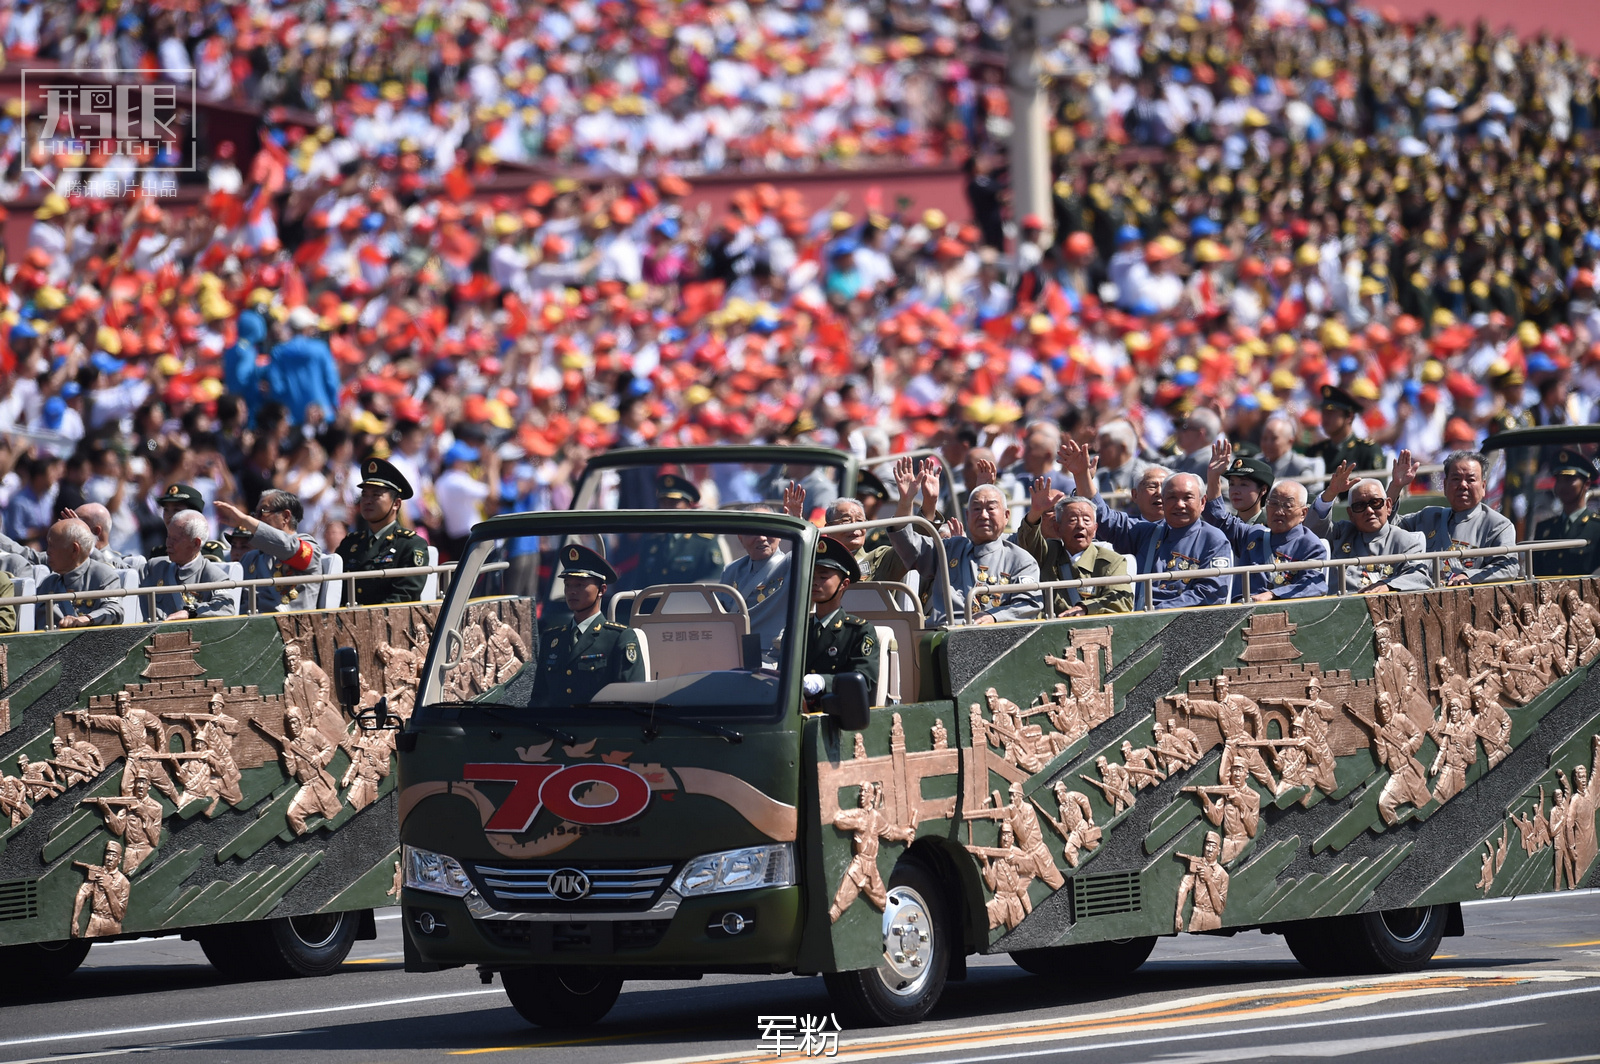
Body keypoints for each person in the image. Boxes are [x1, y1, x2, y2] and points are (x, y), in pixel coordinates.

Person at [1060, 440, 1232, 609]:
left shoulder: (1213, 539)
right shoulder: (1147, 532)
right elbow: (1104, 519)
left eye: (1187, 497)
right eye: (1172, 497)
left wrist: (1160, 611)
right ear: (1163, 501)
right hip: (1140, 617)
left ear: (1202, 502)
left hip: (1181, 620)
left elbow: (1211, 593)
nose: (1179, 504)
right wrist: (1081, 475)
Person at [889, 458, 1042, 624]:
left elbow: (1029, 605)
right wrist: (906, 501)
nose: (983, 515)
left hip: (991, 634)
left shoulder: (1020, 559)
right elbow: (907, 545)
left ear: (1006, 516)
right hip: (943, 632)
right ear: (967, 516)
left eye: (991, 508)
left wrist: (994, 617)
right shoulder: (949, 549)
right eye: (976, 508)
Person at [1204, 441, 1328, 601]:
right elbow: (1217, 517)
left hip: (1282, 612)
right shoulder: (1254, 534)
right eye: (1273, 503)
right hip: (1240, 610)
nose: (1278, 511)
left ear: (1303, 513)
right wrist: (1213, 477)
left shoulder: (1310, 545)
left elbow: (1315, 585)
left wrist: (1273, 595)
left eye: (1287, 506)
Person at [532, 545, 644, 706]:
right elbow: (539, 700)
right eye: (568, 584)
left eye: (579, 585)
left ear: (601, 590)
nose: (571, 591)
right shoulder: (551, 640)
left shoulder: (619, 638)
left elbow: (631, 702)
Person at [1386, 449, 1518, 585]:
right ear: (1445, 485)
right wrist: (1396, 486)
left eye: (1471, 479)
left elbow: (1508, 568)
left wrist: (1468, 576)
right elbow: (1386, 526)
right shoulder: (1429, 517)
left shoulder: (1497, 525)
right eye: (1456, 479)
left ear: (1483, 486)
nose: (1463, 485)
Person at [1307, 463, 1431, 594]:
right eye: (1360, 506)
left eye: (1375, 502)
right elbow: (1313, 529)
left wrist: (1388, 585)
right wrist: (1331, 493)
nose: (1369, 510)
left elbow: (1420, 576)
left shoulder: (1405, 541)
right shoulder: (1341, 533)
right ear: (1351, 514)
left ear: (1388, 506)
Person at [1015, 483, 1132, 616]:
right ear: (1058, 528)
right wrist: (1035, 512)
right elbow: (1028, 543)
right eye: (1072, 520)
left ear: (1095, 529)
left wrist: (1086, 608)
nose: (1080, 525)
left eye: (1086, 520)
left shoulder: (1112, 561)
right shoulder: (1048, 552)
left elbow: (1122, 599)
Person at [719, 486, 803, 651]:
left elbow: (810, 552)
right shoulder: (732, 571)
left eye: (768, 530)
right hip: (734, 652)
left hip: (773, 655)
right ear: (741, 538)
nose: (762, 538)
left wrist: (797, 522)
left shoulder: (791, 564)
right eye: (754, 532)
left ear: (780, 534)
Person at [336, 458, 429, 606]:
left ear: (396, 503)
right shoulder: (350, 543)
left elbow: (404, 596)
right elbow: (334, 591)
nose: (367, 501)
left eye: (376, 495)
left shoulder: (410, 545)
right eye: (364, 494)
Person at [216, 492, 323, 612]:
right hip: (250, 621)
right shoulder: (251, 557)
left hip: (291, 621)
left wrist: (245, 520)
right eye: (255, 514)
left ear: (285, 517)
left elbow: (288, 547)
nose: (256, 519)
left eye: (263, 511)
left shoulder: (309, 547)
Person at [802, 536, 879, 700]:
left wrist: (823, 682)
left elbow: (864, 680)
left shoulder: (858, 631)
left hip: (838, 710)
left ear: (844, 584)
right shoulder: (798, 630)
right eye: (812, 576)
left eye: (823, 577)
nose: (815, 582)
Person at [631, 474, 724, 587]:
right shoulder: (651, 543)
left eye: (673, 503)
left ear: (688, 506)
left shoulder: (703, 542)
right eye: (663, 503)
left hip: (691, 598)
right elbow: (639, 585)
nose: (667, 509)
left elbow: (715, 580)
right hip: (654, 599)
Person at [141, 510, 237, 620]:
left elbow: (226, 607)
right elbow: (129, 573)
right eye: (168, 537)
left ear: (196, 543)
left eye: (175, 539)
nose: (168, 543)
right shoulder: (156, 566)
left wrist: (190, 612)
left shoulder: (212, 575)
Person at [40, 518, 124, 627]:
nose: (47, 552)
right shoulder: (48, 583)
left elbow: (114, 610)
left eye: (52, 546)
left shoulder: (103, 575)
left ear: (74, 549)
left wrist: (87, 619)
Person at [1533, 450, 1600, 577]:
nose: (1563, 486)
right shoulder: (1544, 529)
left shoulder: (1596, 528)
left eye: (1569, 479)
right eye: (1559, 480)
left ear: (1586, 484)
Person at [1302, 385, 1385, 479]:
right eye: (1323, 412)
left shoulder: (1366, 451)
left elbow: (1377, 485)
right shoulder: (1314, 451)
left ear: (1349, 416)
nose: (1325, 417)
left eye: (1331, 412)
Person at [152, 483, 228, 562]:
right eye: (166, 510)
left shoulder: (209, 552)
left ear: (194, 514)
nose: (169, 516)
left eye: (177, 510)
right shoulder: (158, 553)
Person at [1259, 414, 1322, 482]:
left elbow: (1313, 488)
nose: (1268, 444)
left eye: (1274, 439)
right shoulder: (1257, 463)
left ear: (1290, 442)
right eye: (1264, 438)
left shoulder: (1300, 469)